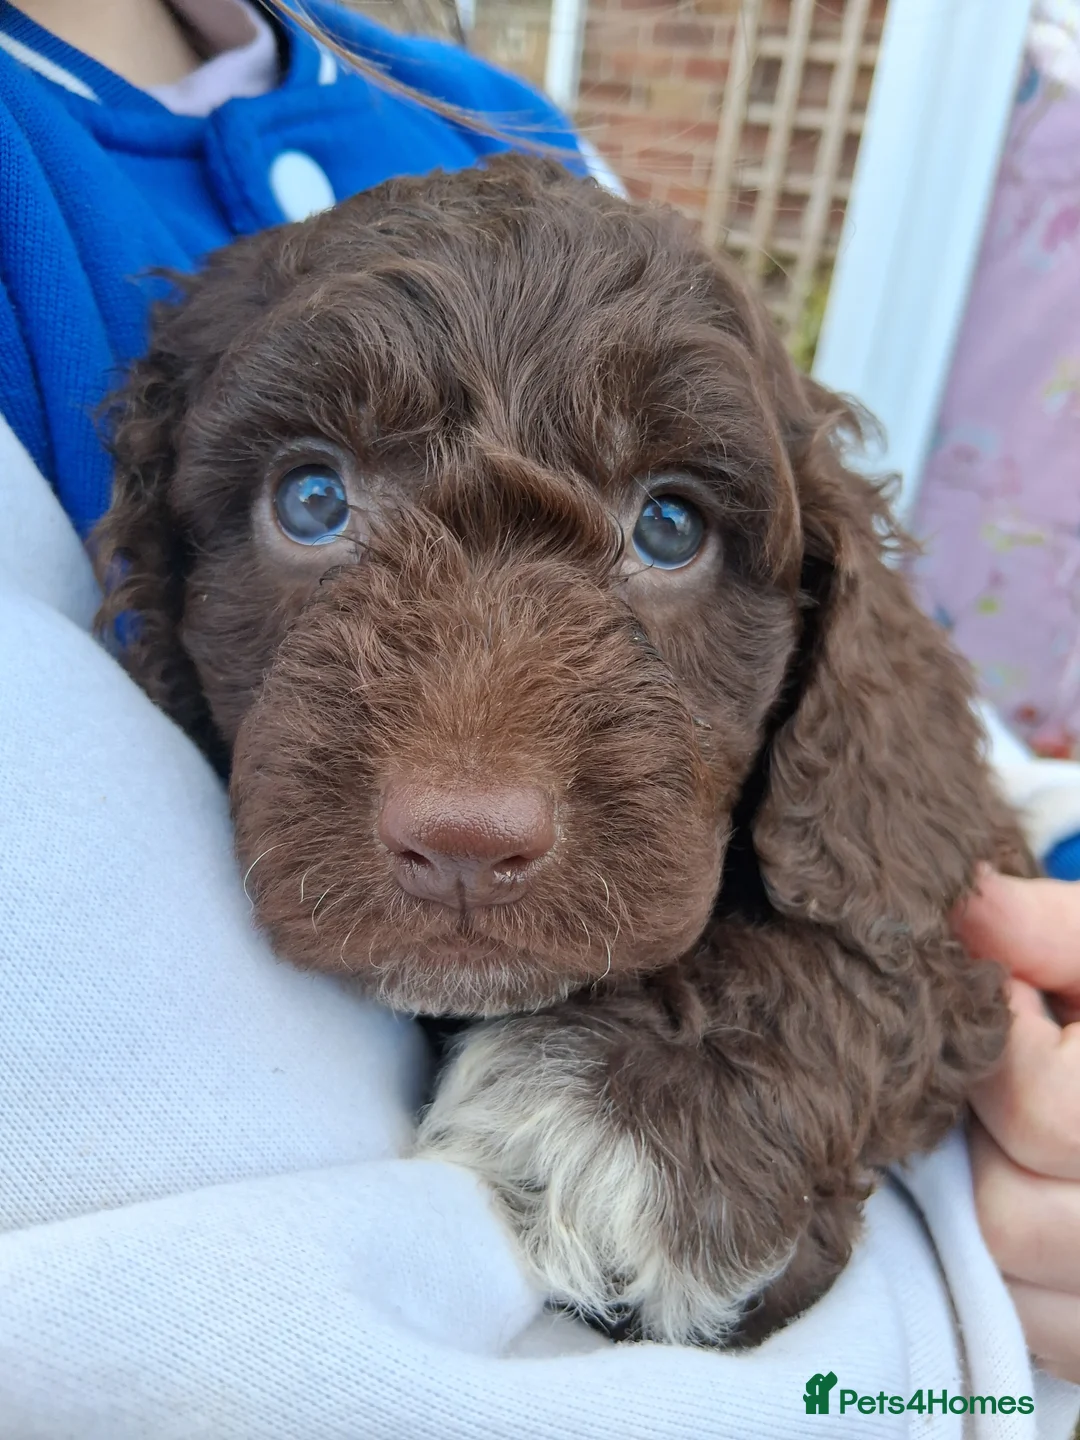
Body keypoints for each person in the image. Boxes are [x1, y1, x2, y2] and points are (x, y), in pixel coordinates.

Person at [0, 2, 1076, 1434]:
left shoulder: (488, 114)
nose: (472, 792)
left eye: (669, 524)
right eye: (313, 503)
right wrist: (989, 1330)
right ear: (162, 552)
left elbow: (964, 860)